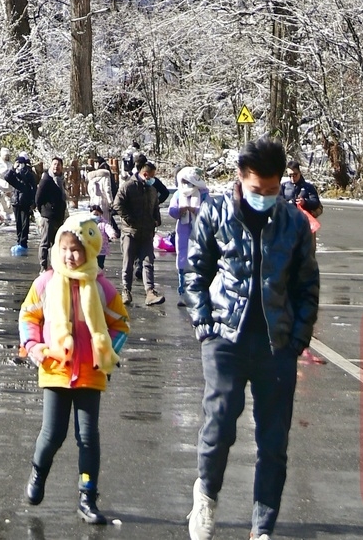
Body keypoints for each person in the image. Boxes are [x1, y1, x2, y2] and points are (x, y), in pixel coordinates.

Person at [188, 139, 320, 540]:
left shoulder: (294, 224)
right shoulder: (215, 212)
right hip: (225, 337)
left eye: (271, 190)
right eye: (255, 190)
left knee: (273, 440)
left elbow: (307, 285)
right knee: (220, 422)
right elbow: (195, 271)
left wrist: (298, 336)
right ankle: (206, 500)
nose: (262, 197)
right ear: (240, 180)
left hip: (276, 344)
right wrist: (204, 323)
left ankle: (262, 528)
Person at [19, 213, 129, 523]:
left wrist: (106, 353)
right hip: (55, 368)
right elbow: (29, 317)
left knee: (88, 437)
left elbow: (120, 324)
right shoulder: (46, 283)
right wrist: (35, 347)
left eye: (77, 250)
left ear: (90, 251)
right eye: (65, 248)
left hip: (90, 373)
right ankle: (38, 475)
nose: (70, 255)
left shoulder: (102, 288)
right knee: (53, 434)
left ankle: (87, 497)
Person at [116, 159, 165, 306]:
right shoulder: (128, 187)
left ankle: (150, 291)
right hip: (130, 232)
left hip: (147, 232)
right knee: (128, 262)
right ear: (144, 174)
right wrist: (129, 220)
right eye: (151, 176)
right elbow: (117, 204)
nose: (153, 179)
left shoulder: (152, 190)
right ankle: (126, 291)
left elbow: (155, 207)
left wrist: (157, 220)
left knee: (148, 262)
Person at [169, 167, 207, 307]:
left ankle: (198, 292)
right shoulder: (179, 195)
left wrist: (195, 210)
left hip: (199, 231)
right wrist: (180, 210)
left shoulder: (203, 194)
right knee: (183, 260)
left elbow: (208, 210)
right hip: (183, 231)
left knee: (199, 260)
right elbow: (172, 211)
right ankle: (183, 292)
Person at [36, 157, 69, 267]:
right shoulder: (46, 179)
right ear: (51, 166)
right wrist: (43, 211)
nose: (56, 167)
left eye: (58, 164)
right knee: (45, 242)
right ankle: (43, 266)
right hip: (48, 215)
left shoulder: (61, 180)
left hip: (59, 216)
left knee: (57, 243)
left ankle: (56, 265)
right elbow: (38, 197)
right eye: (54, 164)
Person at [6, 150, 38, 257]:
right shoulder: (15, 172)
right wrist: (13, 169)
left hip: (25, 200)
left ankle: (23, 242)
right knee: (18, 223)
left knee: (25, 223)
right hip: (16, 200)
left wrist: (33, 201)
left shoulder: (29, 173)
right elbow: (7, 177)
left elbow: (33, 187)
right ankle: (18, 240)